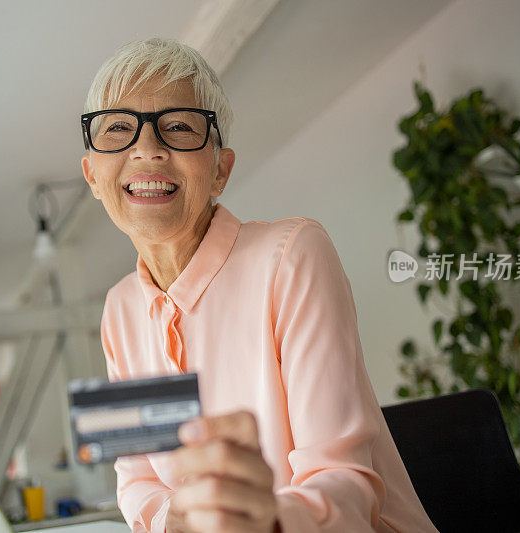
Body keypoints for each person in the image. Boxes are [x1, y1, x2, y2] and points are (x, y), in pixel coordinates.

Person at [80, 37, 439, 533]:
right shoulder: (120, 308)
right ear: (92, 177)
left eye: (179, 126)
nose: (148, 149)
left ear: (221, 170)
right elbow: (137, 481)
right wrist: (177, 517)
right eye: (119, 127)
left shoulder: (293, 255)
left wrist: (265, 519)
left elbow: (344, 482)